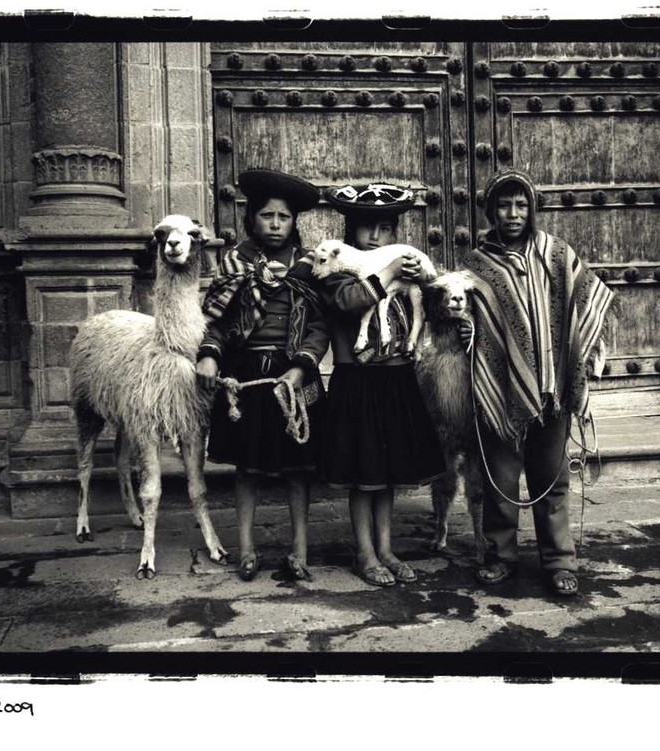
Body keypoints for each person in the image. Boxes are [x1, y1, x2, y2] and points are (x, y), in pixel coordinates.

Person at [463, 168, 613, 597]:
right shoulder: (478, 264)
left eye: (521, 205)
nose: (513, 214)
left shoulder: (558, 255)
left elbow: (587, 301)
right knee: (501, 479)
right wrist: (462, 328)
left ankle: (560, 561)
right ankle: (500, 556)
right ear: (492, 210)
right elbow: (464, 315)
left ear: (532, 209)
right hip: (500, 388)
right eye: (504, 205)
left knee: (553, 480)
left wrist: (580, 364)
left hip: (554, 389)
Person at [195, 169, 329, 582]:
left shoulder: (309, 268)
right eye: (267, 216)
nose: (275, 224)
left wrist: (300, 366)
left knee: (297, 468)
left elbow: (319, 326)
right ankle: (248, 548)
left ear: (294, 222)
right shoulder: (234, 264)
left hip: (294, 373)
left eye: (283, 217)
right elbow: (216, 319)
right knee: (247, 467)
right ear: (252, 218)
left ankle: (300, 550)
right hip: (247, 373)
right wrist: (211, 356)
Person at [315, 182, 447, 587]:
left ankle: (386, 548)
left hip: (394, 377)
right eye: (366, 227)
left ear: (394, 233)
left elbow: (429, 304)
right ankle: (364, 552)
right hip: (358, 380)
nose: (375, 237)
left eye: (385, 228)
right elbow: (351, 301)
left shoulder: (404, 267)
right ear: (350, 231)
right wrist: (389, 271)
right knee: (363, 472)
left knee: (386, 472)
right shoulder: (336, 269)